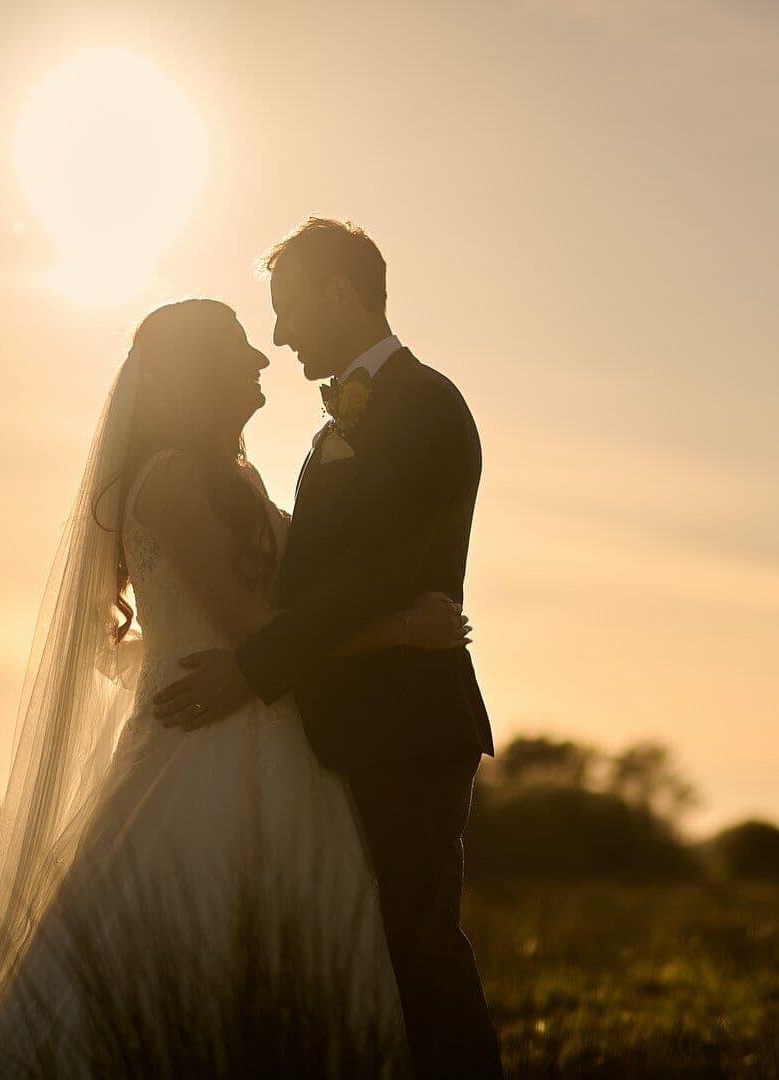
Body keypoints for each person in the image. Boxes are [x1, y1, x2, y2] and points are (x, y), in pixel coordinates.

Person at [0, 299, 470, 1078]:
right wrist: (399, 629)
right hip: (199, 743)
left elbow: (299, 605)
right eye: (242, 345)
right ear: (200, 371)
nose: (265, 357)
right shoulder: (167, 479)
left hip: (278, 737)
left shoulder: (235, 476)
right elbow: (252, 625)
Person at [154, 218, 503, 1077]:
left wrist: (251, 667)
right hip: (354, 723)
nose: (278, 335)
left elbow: (371, 578)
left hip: (410, 725)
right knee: (378, 956)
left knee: (419, 949)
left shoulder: (425, 407)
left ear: (340, 295)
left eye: (286, 309)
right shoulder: (340, 424)